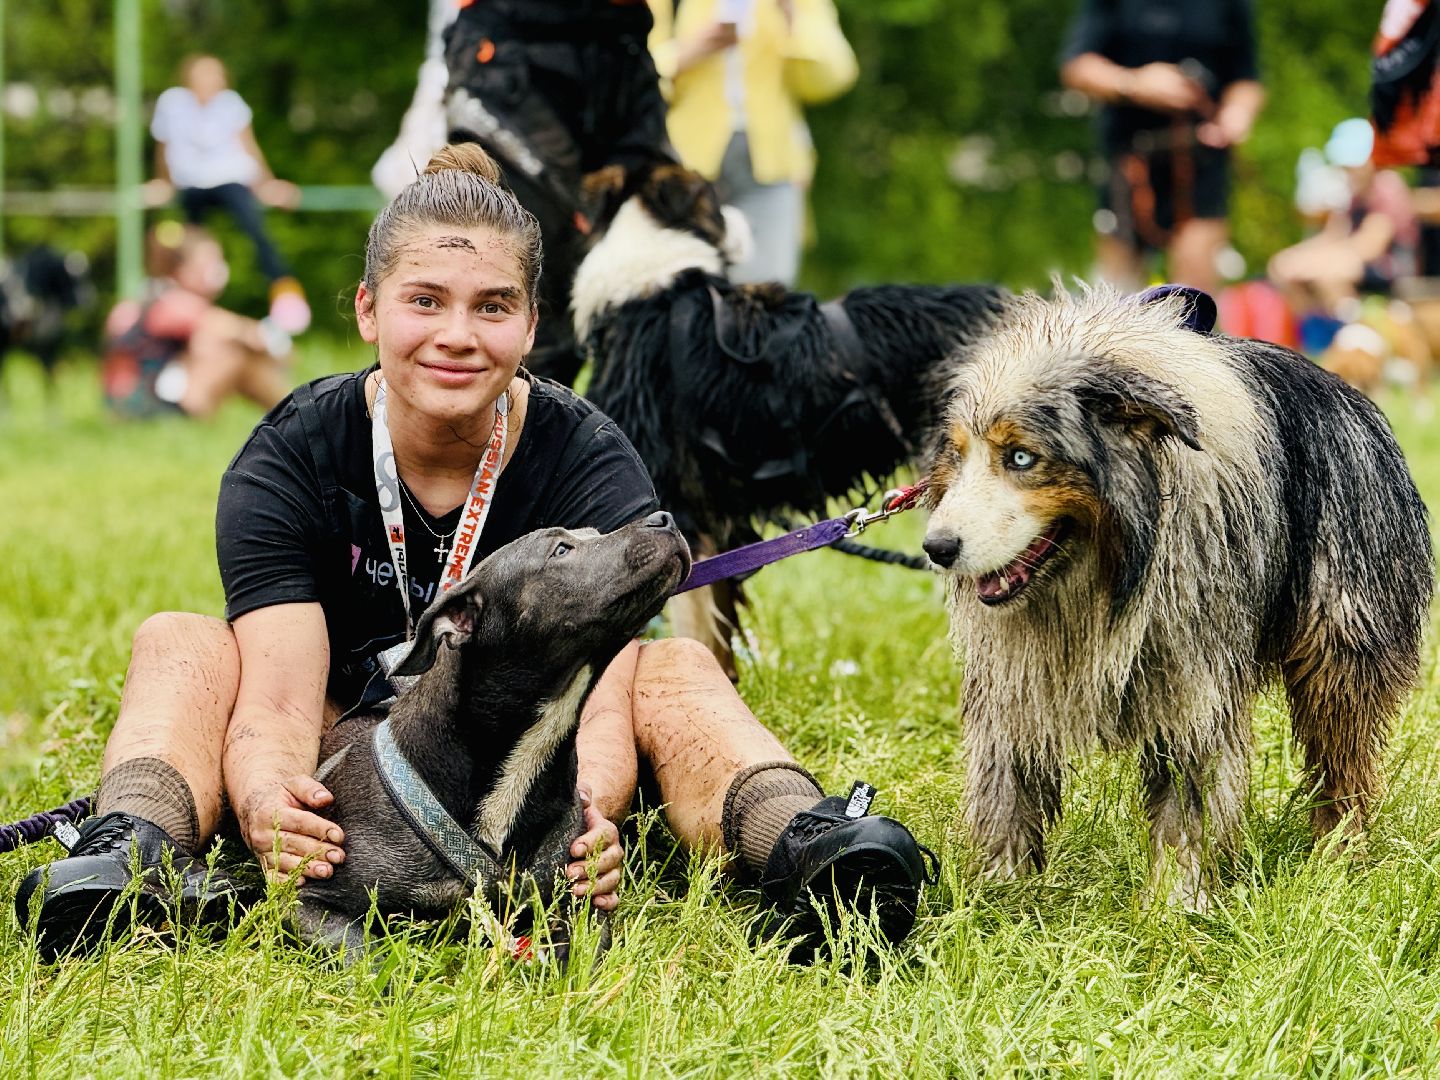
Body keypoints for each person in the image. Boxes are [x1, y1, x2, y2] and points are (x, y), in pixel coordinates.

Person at [16, 144, 931, 962]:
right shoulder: (293, 450)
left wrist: (588, 818)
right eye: (425, 302)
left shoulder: (587, 454)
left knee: (674, 667)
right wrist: (269, 803)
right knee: (181, 641)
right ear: (370, 310)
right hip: (346, 728)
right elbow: (277, 699)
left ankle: (806, 845)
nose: (457, 335)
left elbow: (599, 693)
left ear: (532, 326)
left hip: (527, 749)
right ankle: (128, 855)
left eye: (492, 306)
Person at [440, 0, 677, 385]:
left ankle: (612, 442)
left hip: (624, 49)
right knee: (530, 287)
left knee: (649, 303)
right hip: (512, 50)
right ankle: (507, 437)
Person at [1059, 0, 1266, 294]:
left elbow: (1247, 78)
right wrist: (1134, 83)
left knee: (1193, 290)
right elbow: (1076, 66)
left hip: (1202, 158)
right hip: (1130, 159)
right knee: (1118, 292)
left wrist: (1237, 114)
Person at [648, 0, 858, 285]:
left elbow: (832, 79)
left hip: (772, 161)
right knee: (680, 287)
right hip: (686, 167)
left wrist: (793, 19)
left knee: (767, 292)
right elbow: (634, 76)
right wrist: (689, 52)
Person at [145, 54, 311, 336]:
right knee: (187, 244)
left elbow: (248, 147)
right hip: (191, 183)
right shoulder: (172, 103)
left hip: (230, 179)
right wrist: (163, 182)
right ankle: (180, 299)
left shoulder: (230, 104)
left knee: (255, 231)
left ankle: (285, 291)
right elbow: (165, 147)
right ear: (190, 79)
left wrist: (267, 184)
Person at [100, 222, 292, 418]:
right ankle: (292, 415)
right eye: (210, 262)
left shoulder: (148, 296)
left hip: (126, 404)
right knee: (238, 357)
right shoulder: (174, 303)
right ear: (182, 268)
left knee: (212, 345)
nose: (218, 270)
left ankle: (289, 415)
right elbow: (249, 334)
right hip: (143, 407)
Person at [1269, 118, 1420, 320]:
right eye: (1345, 165)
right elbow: (1334, 235)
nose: (1348, 171)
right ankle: (1316, 330)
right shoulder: (1353, 193)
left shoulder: (1387, 187)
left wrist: (1316, 262)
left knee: (1329, 273)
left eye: (1353, 164)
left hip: (1391, 267)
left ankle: (1353, 331)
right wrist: (1294, 258)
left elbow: (1370, 246)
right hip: (1357, 261)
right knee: (1285, 268)